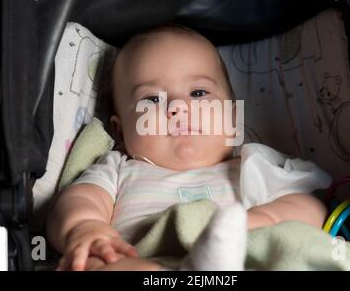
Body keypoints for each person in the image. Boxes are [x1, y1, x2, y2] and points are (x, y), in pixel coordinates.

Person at [46, 24, 330, 271]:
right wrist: (84, 227)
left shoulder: (251, 165)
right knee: (90, 264)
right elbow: (80, 199)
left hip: (237, 261)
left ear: (232, 117)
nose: (178, 107)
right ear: (121, 132)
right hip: (149, 264)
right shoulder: (118, 168)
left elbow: (310, 207)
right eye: (152, 100)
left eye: (198, 93)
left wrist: (257, 221)